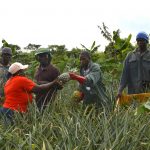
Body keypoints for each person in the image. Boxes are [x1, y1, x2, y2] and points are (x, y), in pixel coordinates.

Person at [117, 31, 150, 98]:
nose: (140, 42)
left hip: (147, 91)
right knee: (134, 108)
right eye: (138, 40)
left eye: (142, 40)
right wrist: (120, 90)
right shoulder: (130, 55)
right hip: (133, 92)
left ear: (146, 41)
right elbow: (125, 74)